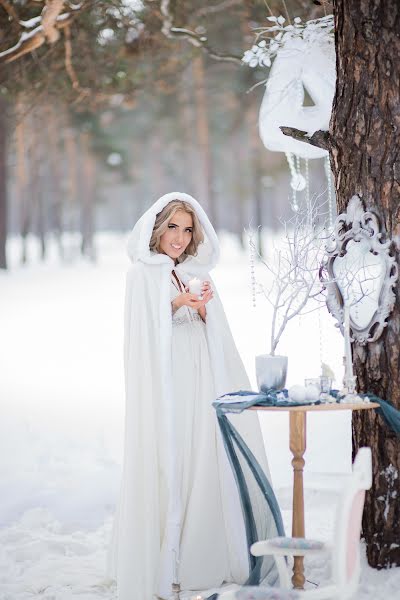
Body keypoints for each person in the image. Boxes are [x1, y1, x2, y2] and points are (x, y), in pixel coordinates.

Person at [107, 192, 277, 600]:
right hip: (169, 382)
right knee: (174, 455)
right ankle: (168, 557)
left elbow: (211, 332)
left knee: (203, 453)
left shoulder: (192, 272)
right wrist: (175, 304)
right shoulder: (143, 274)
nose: (179, 238)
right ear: (157, 227)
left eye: (187, 229)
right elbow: (142, 334)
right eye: (172, 227)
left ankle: (205, 551)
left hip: (200, 376)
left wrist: (202, 311)